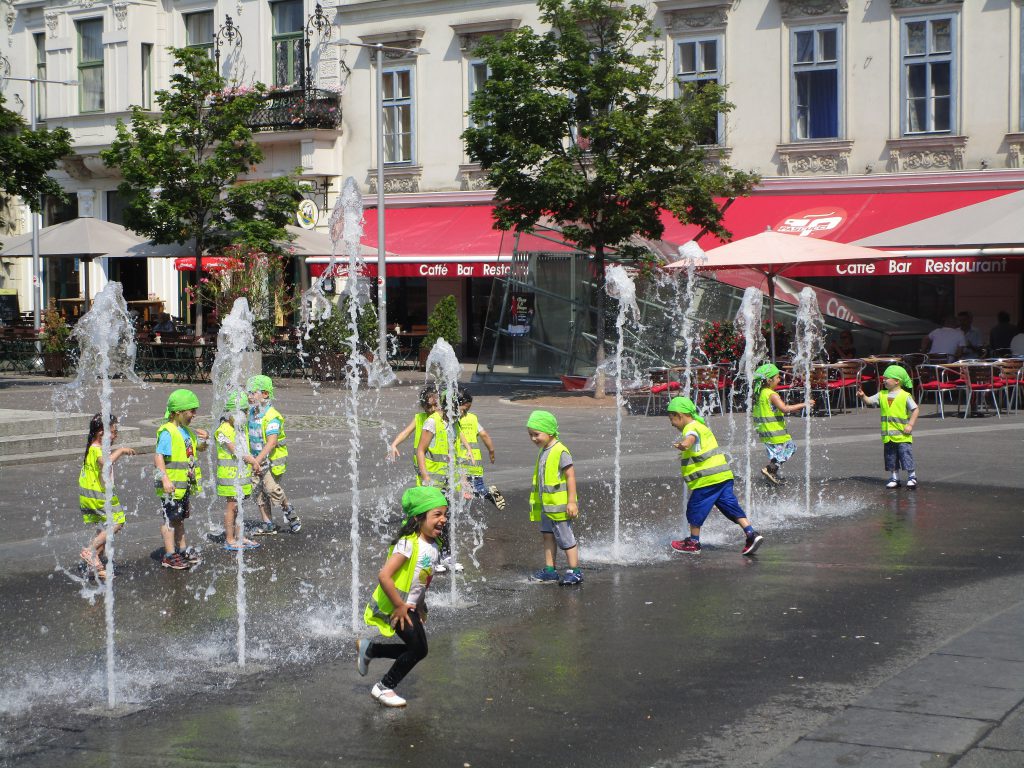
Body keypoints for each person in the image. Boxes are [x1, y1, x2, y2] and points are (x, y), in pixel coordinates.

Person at [356, 486, 447, 708]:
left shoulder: (434, 545)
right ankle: (384, 687)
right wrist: (398, 605)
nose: (443, 519)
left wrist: (421, 605)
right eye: (437, 514)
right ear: (418, 517)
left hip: (409, 606)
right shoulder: (408, 543)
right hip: (394, 606)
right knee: (417, 649)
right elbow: (384, 576)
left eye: (445, 514)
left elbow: (421, 579)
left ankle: (370, 650)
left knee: (418, 649)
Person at [668, 397, 764, 557]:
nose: (672, 423)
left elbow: (690, 437)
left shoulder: (690, 428)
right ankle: (751, 533)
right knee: (729, 506)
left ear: (680, 415)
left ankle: (693, 542)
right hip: (723, 476)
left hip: (707, 480)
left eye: (672, 419)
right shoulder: (702, 427)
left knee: (694, 509)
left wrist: (684, 445)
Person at [526, 410, 583, 585]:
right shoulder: (544, 450)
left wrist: (572, 501)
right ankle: (550, 570)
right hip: (546, 506)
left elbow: (570, 476)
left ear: (549, 431)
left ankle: (575, 570)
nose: (533, 438)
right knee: (547, 536)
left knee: (566, 538)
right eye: (531, 435)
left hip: (559, 506)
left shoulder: (560, 450)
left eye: (536, 434)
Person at [154, 389, 208, 570]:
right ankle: (169, 555)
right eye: (191, 411)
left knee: (180, 518)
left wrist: (204, 441)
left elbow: (196, 450)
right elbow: (159, 456)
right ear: (178, 412)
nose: (194, 414)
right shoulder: (167, 432)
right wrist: (165, 479)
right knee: (169, 519)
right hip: (171, 485)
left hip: (182, 486)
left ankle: (183, 550)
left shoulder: (185, 431)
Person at [79, 414, 135, 580]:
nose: (115, 435)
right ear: (101, 433)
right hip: (98, 496)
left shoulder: (93, 447)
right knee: (118, 522)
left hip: (90, 495)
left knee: (103, 531)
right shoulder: (96, 449)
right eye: (113, 432)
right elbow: (107, 463)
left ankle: (95, 567)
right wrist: (121, 451)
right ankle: (90, 551)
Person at [414, 396, 465, 573]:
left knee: (446, 519)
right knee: (429, 521)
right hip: (432, 481)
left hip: (446, 481)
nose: (464, 413)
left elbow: (455, 453)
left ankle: (445, 554)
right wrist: (425, 475)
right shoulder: (432, 422)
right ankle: (427, 557)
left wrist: (463, 480)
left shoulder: (453, 423)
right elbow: (421, 449)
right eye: (462, 409)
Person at [247, 375, 301, 535]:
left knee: (272, 490)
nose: (249, 396)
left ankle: (289, 511)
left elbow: (271, 442)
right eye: (248, 393)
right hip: (256, 460)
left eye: (253, 393)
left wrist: (256, 460)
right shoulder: (251, 413)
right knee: (258, 492)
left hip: (270, 462)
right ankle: (268, 524)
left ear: (265, 394)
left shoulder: (272, 416)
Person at [857, 365, 919, 489]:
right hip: (888, 436)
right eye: (883, 378)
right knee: (891, 458)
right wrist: (863, 396)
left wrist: (910, 425)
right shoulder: (882, 394)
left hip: (902, 435)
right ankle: (894, 478)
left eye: (887, 378)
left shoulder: (905, 395)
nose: (884, 380)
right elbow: (870, 401)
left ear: (897, 381)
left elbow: (915, 409)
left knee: (905, 456)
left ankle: (912, 476)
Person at [752, 363, 814, 485]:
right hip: (775, 431)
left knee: (776, 452)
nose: (780, 379)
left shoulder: (760, 394)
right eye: (777, 377)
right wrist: (804, 404)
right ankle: (770, 469)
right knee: (791, 447)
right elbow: (784, 408)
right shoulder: (772, 394)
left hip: (764, 431)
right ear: (769, 380)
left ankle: (772, 474)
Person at [215, 391, 261, 551]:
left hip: (241, 475)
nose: (247, 414)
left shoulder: (240, 428)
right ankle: (229, 538)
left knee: (239, 507)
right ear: (232, 413)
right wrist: (253, 461)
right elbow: (236, 451)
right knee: (232, 507)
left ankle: (240, 536)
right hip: (229, 477)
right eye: (244, 411)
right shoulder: (221, 431)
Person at [455, 389, 506, 510]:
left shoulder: (452, 420)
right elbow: (484, 435)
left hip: (461, 460)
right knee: (478, 488)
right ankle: (488, 492)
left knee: (464, 490)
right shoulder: (473, 418)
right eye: (466, 408)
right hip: (475, 460)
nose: (466, 411)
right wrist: (491, 451)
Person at [388, 384, 438, 469]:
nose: (433, 409)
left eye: (435, 405)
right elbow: (405, 433)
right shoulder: (419, 418)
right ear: (423, 405)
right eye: (429, 406)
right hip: (421, 465)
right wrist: (394, 445)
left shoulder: (442, 418)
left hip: (437, 466)